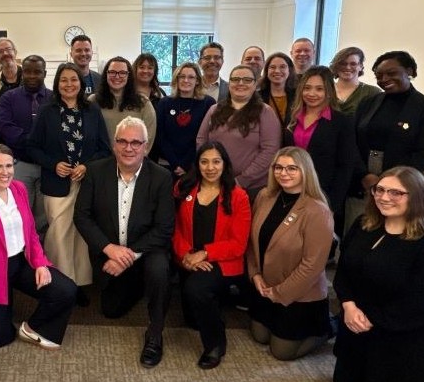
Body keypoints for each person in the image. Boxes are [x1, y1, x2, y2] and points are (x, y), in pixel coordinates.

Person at [333, 166, 424, 382]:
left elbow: (422, 302)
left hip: (407, 328)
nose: (384, 197)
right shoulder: (364, 224)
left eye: (396, 193)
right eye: (379, 190)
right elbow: (344, 271)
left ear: (416, 197)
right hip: (359, 319)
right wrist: (348, 305)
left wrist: (372, 319)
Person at [74, 117, 174, 368]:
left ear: (146, 146)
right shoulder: (96, 172)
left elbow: (164, 228)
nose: (129, 148)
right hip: (110, 252)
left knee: (159, 269)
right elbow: (82, 216)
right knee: (111, 310)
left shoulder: (161, 177)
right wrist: (109, 250)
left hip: (147, 251)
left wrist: (127, 256)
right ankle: (139, 284)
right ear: (114, 144)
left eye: (135, 143)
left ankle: (155, 333)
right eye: (123, 142)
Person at [0, 144, 77, 348]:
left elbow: (30, 232)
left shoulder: (19, 189)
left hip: (22, 262)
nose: (5, 172)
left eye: (9, 165)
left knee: (66, 290)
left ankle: (32, 327)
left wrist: (40, 263)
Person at [27, 63, 111, 296]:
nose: (69, 84)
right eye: (64, 80)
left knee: (81, 233)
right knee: (59, 233)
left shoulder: (92, 111)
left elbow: (105, 149)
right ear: (57, 84)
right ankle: (61, 283)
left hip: (85, 182)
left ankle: (81, 282)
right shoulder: (47, 111)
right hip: (56, 183)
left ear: (81, 83)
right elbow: (32, 147)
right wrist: (53, 164)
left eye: (73, 79)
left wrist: (86, 166)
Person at [246, 147, 333, 361]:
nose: (284, 173)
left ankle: (328, 327)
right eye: (279, 167)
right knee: (260, 336)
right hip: (266, 286)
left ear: (306, 171)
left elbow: (312, 266)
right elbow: (252, 242)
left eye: (292, 168)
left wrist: (281, 292)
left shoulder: (317, 211)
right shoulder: (265, 196)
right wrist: (255, 275)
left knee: (281, 352)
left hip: (300, 294)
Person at [173, 142, 251, 369]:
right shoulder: (184, 187)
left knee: (196, 289)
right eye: (204, 161)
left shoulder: (238, 197)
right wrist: (187, 255)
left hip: (222, 260)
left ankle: (215, 344)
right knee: (192, 318)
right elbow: (174, 228)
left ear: (225, 164)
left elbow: (238, 244)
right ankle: (215, 305)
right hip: (188, 256)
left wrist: (205, 254)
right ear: (197, 164)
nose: (210, 167)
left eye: (216, 161)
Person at [354, 50, 424, 193]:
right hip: (363, 183)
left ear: (409, 71)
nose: (384, 79)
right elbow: (352, 141)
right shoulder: (368, 103)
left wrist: (389, 179)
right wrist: (364, 175)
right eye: (379, 76)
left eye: (391, 73)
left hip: (403, 184)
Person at [196, 65, 282, 196]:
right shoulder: (214, 109)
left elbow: (270, 151)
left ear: (255, 84)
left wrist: (241, 180)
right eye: (235, 79)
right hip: (214, 182)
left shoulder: (265, 112)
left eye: (247, 80)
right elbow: (201, 140)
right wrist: (209, 170)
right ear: (229, 84)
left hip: (251, 188)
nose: (240, 83)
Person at [284, 66, 355, 218]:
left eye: (319, 89)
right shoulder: (292, 117)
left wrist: (332, 204)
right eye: (307, 88)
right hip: (291, 189)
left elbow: (345, 166)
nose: (312, 94)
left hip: (324, 194)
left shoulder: (341, 122)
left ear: (328, 92)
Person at [0, 55, 51, 234]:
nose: (32, 76)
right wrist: (34, 142)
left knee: (44, 217)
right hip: (20, 164)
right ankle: (23, 253)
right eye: (27, 71)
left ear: (45, 73)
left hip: (46, 167)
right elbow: (4, 126)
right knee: (19, 212)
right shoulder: (9, 98)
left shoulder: (54, 98)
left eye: (37, 72)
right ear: (21, 72)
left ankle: (41, 254)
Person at [154, 62, 215, 177]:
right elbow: (160, 136)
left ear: (197, 81)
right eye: (182, 76)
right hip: (166, 165)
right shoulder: (164, 103)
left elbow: (206, 136)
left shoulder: (208, 103)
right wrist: (175, 164)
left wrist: (186, 164)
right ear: (176, 79)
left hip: (195, 164)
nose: (186, 80)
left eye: (191, 77)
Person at [89, 56, 156, 155]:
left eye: (122, 73)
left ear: (129, 76)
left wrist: (133, 160)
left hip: (132, 161)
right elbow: (88, 136)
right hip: (100, 162)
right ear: (106, 75)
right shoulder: (93, 101)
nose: (117, 76)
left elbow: (148, 138)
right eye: (112, 72)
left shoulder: (143, 103)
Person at [329, 46, 380, 115]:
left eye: (353, 64)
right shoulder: (325, 89)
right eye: (343, 64)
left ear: (361, 66)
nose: (348, 67)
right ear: (336, 66)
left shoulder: (372, 93)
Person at [258, 52, 297, 129]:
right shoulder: (257, 96)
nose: (277, 71)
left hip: (290, 140)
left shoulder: (298, 96)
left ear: (289, 70)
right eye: (272, 67)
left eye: (282, 67)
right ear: (266, 71)